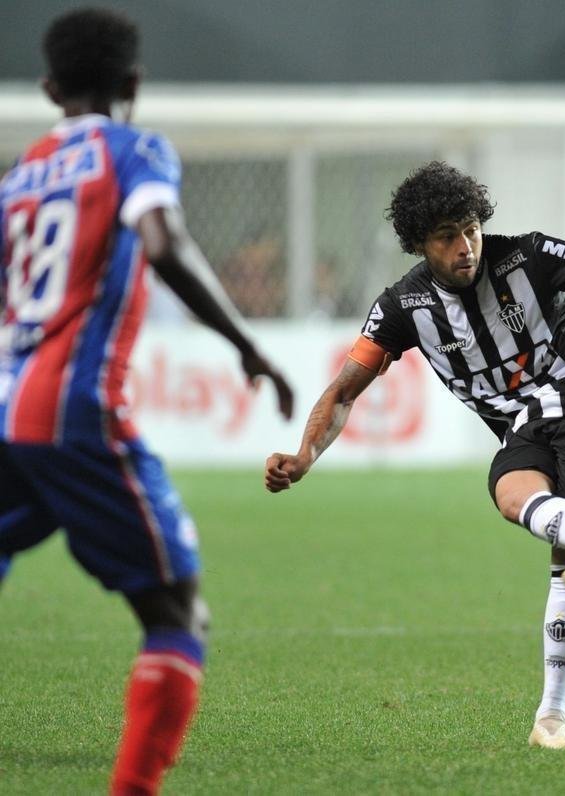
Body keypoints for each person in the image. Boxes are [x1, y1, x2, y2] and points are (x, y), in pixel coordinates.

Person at [264, 161, 565, 750]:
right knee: (517, 500)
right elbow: (343, 390)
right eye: (446, 236)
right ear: (419, 243)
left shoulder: (527, 256)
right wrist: (306, 453)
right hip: (526, 426)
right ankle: (551, 721)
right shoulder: (402, 306)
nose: (465, 246)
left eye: (470, 229)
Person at [0, 9, 294, 795]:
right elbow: (162, 242)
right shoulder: (134, 150)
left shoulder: (21, 175)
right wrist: (247, 343)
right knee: (177, 612)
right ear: (133, 84)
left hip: (4, 407)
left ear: (49, 88)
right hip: (72, 411)